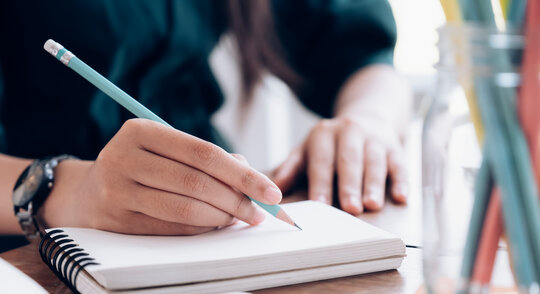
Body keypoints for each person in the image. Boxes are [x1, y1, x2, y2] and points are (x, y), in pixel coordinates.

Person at [0, 0, 412, 236]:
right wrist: (65, 189)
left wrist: (370, 121)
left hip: (207, 218)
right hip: (32, 248)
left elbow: (362, 56)